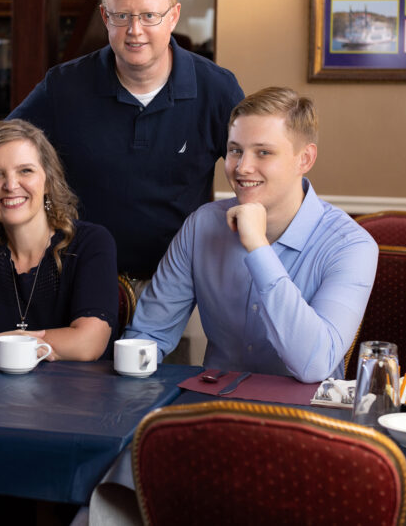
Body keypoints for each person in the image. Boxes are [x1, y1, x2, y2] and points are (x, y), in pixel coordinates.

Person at [10, 0, 245, 281]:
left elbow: (256, 168)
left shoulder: (217, 88)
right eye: (122, 15)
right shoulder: (63, 86)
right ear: (105, 17)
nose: (135, 31)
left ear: (173, 16)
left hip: (179, 282)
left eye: (150, 15)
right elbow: (3, 151)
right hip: (77, 278)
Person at [123, 87, 377, 383]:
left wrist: (258, 248)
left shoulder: (352, 246)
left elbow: (315, 365)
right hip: (212, 410)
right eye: (235, 150)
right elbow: (150, 334)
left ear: (304, 159)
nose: (242, 168)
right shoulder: (201, 225)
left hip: (306, 420)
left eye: (263, 152)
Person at [0, 119, 117, 363]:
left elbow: (87, 344)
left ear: (48, 180)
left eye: (25, 170)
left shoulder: (91, 242)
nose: (10, 185)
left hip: (72, 394)